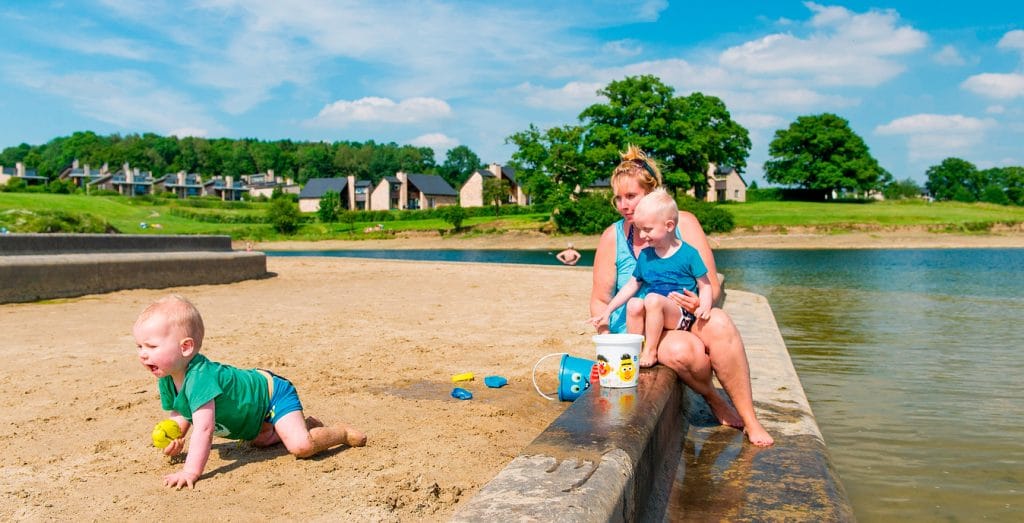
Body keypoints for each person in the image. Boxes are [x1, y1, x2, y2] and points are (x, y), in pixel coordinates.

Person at [590, 145, 774, 447]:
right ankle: (714, 398)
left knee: (721, 322)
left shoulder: (684, 223)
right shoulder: (613, 237)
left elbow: (710, 285)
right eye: (618, 198)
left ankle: (751, 420)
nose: (623, 205)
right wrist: (609, 340)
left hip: (682, 315)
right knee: (684, 352)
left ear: (652, 194)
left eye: (631, 197)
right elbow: (599, 299)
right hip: (640, 328)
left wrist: (701, 302)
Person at [132, 294, 367, 489]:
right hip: (253, 413)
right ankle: (305, 424)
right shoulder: (166, 375)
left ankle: (341, 433)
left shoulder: (200, 377)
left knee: (301, 447)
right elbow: (182, 412)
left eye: (151, 346)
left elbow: (204, 428)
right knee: (262, 440)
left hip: (271, 394)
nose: (143, 354)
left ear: (185, 347)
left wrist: (190, 470)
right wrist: (176, 438)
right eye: (139, 346)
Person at [589, 188, 713, 368]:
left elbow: (706, 285)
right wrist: (608, 311)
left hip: (680, 313)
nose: (641, 235)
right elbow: (631, 286)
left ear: (669, 226)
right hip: (655, 310)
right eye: (639, 230)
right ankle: (635, 351)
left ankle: (651, 350)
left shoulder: (689, 254)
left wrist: (705, 306)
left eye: (647, 230)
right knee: (634, 303)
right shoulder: (646, 256)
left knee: (652, 299)